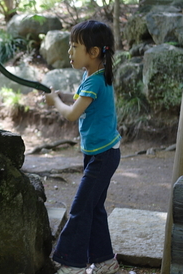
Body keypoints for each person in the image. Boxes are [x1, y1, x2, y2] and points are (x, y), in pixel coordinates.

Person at [45, 20, 121, 274]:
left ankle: (71, 262)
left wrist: (56, 102)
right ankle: (105, 261)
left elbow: (71, 114)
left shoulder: (94, 82)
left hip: (103, 157)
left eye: (74, 46)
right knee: (94, 207)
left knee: (80, 208)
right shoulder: (92, 76)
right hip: (100, 154)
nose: (69, 51)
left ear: (94, 52)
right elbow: (78, 100)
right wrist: (61, 97)